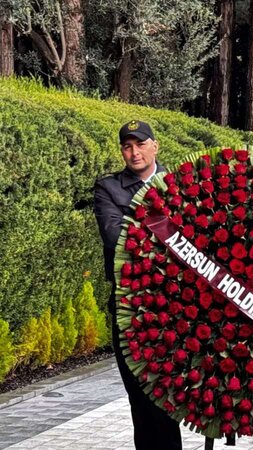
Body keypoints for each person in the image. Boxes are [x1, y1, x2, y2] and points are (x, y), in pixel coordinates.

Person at [94, 120, 182, 450]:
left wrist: (140, 229)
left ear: (155, 146)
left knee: (168, 398)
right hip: (130, 307)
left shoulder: (181, 183)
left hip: (175, 306)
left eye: (140, 144)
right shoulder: (109, 188)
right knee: (141, 399)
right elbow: (115, 238)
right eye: (127, 146)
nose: (134, 153)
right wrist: (167, 235)